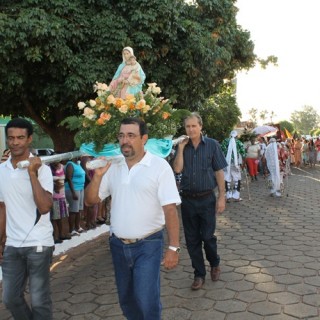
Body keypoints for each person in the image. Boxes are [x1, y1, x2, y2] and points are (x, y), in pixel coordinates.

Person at [85, 117, 180, 320]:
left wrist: (173, 247)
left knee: (146, 301)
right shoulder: (113, 167)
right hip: (118, 246)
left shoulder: (159, 167)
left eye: (131, 135)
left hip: (148, 244)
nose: (124, 141)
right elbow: (91, 200)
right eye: (121, 136)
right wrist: (99, 176)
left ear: (144, 138)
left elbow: (170, 209)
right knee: (127, 300)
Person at [0, 118, 54, 319]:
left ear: (29, 139)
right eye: (11, 138)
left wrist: (32, 173)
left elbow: (45, 206)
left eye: (20, 138)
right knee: (10, 299)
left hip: (38, 243)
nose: (15, 142)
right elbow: (2, 208)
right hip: (13, 245)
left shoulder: (43, 169)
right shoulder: (2, 171)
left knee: (40, 301)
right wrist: (1, 241)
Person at [173, 112, 227, 290]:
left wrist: (222, 197)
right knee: (192, 239)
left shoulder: (212, 145)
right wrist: (180, 149)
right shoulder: (182, 146)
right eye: (188, 126)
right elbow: (178, 169)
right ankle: (199, 274)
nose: (190, 129)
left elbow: (219, 171)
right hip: (188, 200)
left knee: (207, 237)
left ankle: (214, 263)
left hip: (207, 199)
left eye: (194, 126)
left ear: (200, 126)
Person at [220, 130, 246, 202]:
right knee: (237, 179)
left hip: (226, 163)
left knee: (226, 179)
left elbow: (221, 151)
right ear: (237, 136)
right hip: (235, 164)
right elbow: (243, 154)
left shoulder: (225, 141)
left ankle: (227, 197)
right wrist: (243, 164)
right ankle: (236, 197)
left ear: (230, 135)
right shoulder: (239, 142)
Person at [50, 161, 71, 243]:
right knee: (55, 218)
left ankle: (61, 234)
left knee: (61, 217)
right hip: (54, 197)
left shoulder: (62, 167)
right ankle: (55, 236)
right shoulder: (49, 169)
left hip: (62, 196)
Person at [65, 157, 86, 236]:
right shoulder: (70, 164)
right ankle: (71, 229)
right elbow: (69, 178)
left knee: (79, 209)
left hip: (81, 188)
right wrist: (73, 192)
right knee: (73, 210)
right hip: (74, 189)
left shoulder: (78, 164)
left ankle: (77, 226)